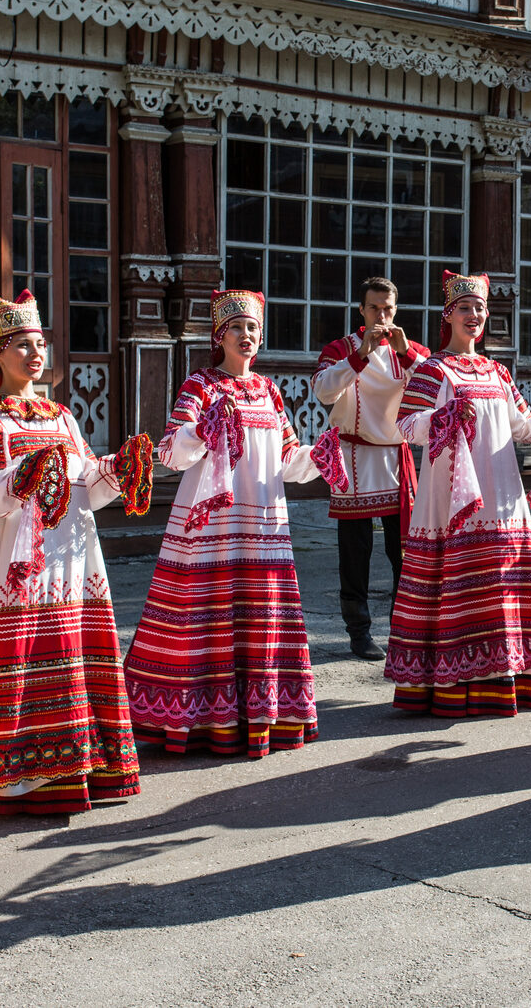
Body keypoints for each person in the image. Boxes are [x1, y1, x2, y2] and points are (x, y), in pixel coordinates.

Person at [0, 289, 151, 817]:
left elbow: (84, 485)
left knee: (71, 651)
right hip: (15, 568)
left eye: (40, 343)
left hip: (71, 562)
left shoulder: (62, 417)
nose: (34, 353)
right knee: (17, 656)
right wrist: (20, 477)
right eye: (21, 344)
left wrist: (118, 467)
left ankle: (75, 768)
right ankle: (15, 780)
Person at [122, 290, 347, 757]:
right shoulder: (201, 387)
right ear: (219, 335)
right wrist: (200, 430)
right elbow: (169, 452)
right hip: (210, 528)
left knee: (257, 618)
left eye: (253, 328)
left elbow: (285, 458)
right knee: (202, 618)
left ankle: (259, 715)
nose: (247, 336)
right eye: (238, 328)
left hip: (263, 525)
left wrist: (318, 456)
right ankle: (196, 720)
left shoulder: (268, 390)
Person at [387, 271, 531, 717]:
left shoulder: (496, 371)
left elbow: (524, 428)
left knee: (501, 587)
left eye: (480, 308)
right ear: (449, 315)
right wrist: (445, 415)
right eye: (466, 307)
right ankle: (450, 682)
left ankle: (502, 676)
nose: (475, 315)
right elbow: (405, 426)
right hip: (452, 501)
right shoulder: (432, 369)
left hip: (501, 496)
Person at [312, 277, 430, 661]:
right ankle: (359, 631)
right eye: (375, 308)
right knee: (355, 552)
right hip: (355, 457)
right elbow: (323, 390)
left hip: (396, 458)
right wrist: (359, 354)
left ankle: (403, 628)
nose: (383, 316)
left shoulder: (409, 350)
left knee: (403, 552)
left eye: (389, 309)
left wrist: (409, 354)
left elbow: (438, 387)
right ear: (361, 311)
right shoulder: (341, 348)